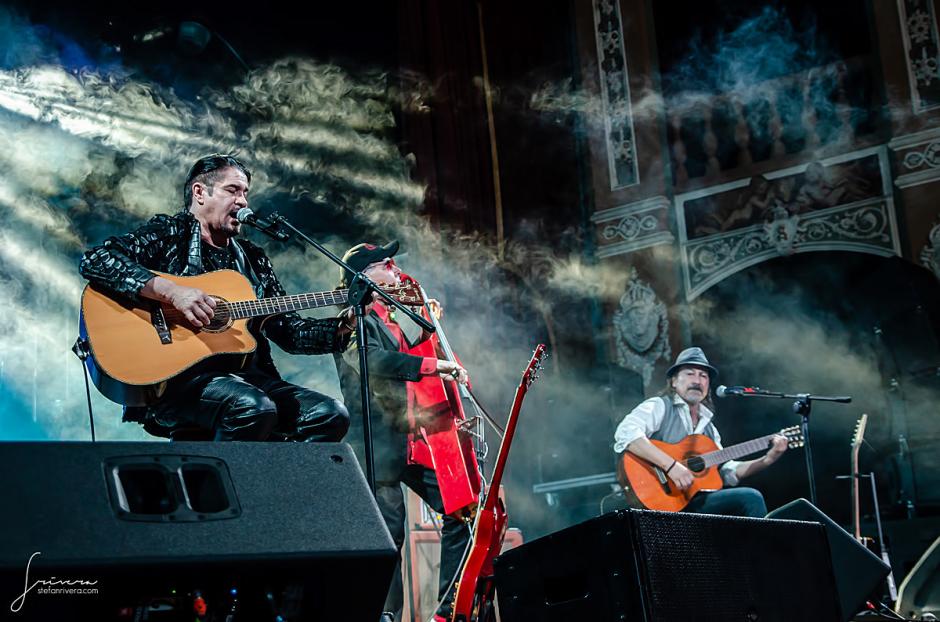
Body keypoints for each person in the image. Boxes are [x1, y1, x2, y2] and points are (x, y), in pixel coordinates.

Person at [79, 153, 351, 442]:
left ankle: (279, 485)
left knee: (329, 414)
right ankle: (228, 486)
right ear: (200, 192)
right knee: (253, 408)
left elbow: (290, 333)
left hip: (248, 380)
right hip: (177, 382)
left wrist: (344, 326)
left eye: (245, 193)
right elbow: (97, 259)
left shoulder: (253, 260)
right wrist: (172, 292)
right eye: (232, 190)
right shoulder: (170, 233)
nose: (243, 201)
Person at [332, 241, 470, 622]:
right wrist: (433, 365)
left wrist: (426, 323)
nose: (395, 269)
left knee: (463, 510)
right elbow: (373, 361)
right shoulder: (351, 319)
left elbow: (405, 358)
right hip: (375, 446)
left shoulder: (390, 318)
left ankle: (448, 612)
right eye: (385, 264)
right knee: (388, 537)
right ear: (364, 275)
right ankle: (385, 615)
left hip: (406, 442)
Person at [612, 347, 787, 517]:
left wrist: (767, 459)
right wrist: (671, 466)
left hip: (695, 502)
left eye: (703, 376)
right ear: (674, 381)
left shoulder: (709, 428)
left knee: (747, 499)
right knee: (751, 498)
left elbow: (727, 471)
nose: (697, 380)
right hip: (663, 498)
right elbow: (626, 432)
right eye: (690, 373)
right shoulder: (660, 406)